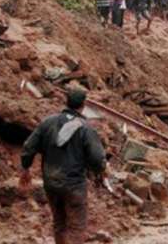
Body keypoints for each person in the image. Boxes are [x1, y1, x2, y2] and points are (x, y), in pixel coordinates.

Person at [20, 89, 107, 244]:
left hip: (51, 182)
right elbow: (98, 158)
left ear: (66, 102)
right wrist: (100, 170)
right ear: (83, 105)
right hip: (74, 185)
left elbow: (28, 147)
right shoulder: (86, 129)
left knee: (59, 223)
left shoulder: (48, 122)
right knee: (76, 227)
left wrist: (25, 168)